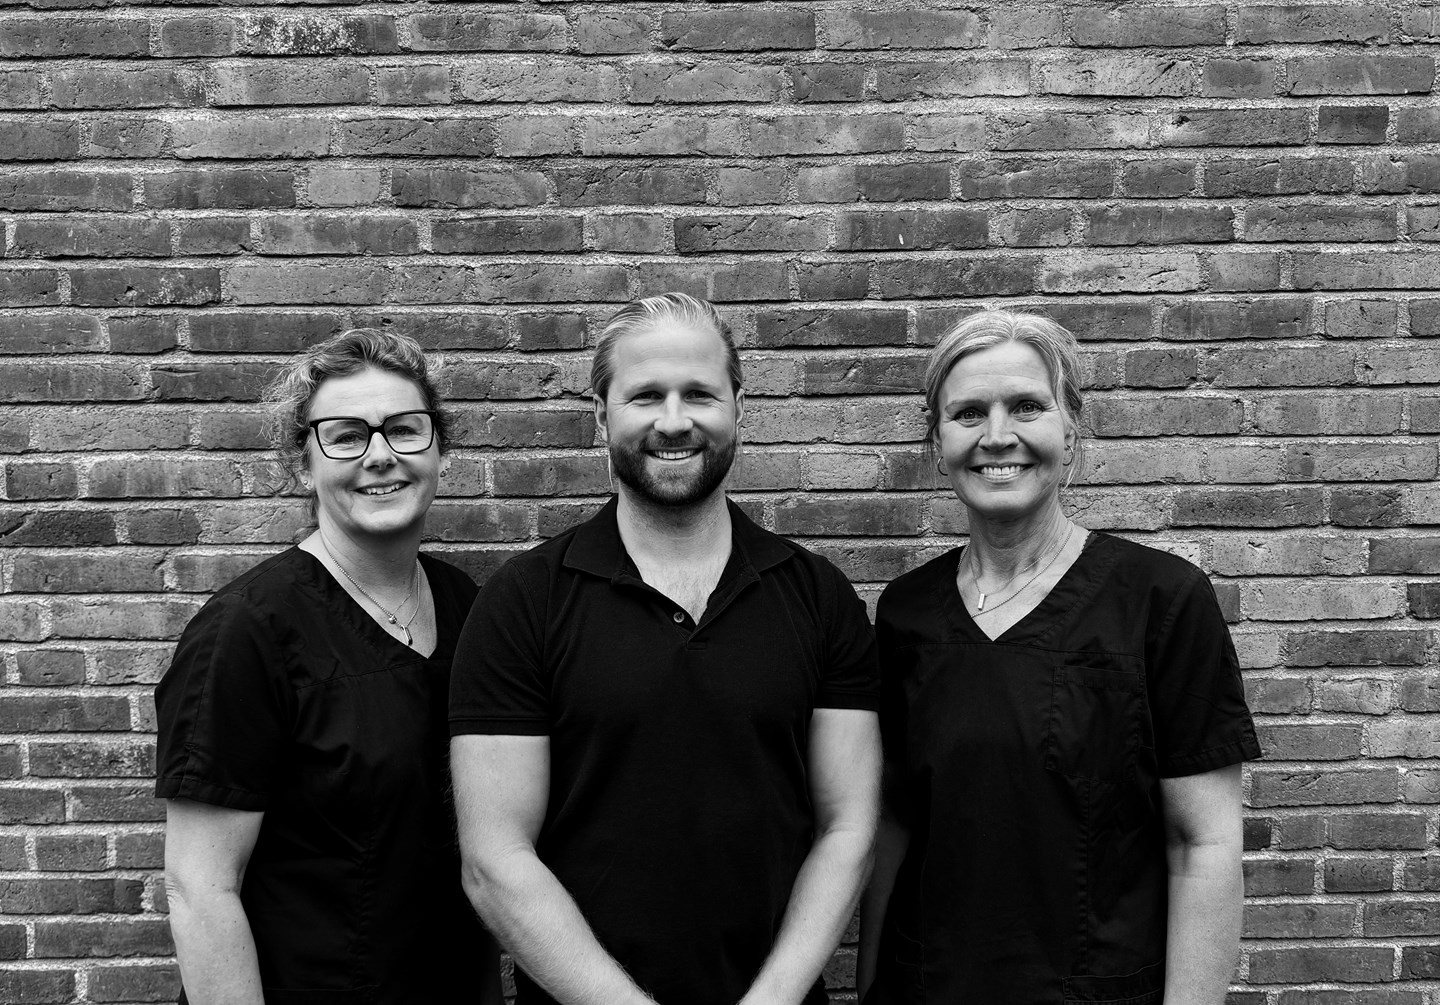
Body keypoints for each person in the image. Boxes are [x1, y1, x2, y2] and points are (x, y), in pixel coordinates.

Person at [450, 292, 882, 1005]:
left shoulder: (818, 597)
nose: (674, 420)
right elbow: (495, 860)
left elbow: (849, 828)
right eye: (646, 395)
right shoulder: (523, 601)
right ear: (602, 416)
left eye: (699, 394)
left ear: (739, 407)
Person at [858, 310, 1261, 1005]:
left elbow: (1204, 844)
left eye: (1026, 406)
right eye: (968, 413)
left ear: (1071, 429)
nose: (997, 436)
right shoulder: (906, 611)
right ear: (937, 440)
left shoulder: (1161, 601)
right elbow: (894, 822)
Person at [155, 329, 501, 1005]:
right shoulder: (247, 631)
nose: (380, 455)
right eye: (345, 436)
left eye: (404, 429)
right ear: (303, 464)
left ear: (440, 449)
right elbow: (200, 888)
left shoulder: (466, 606)